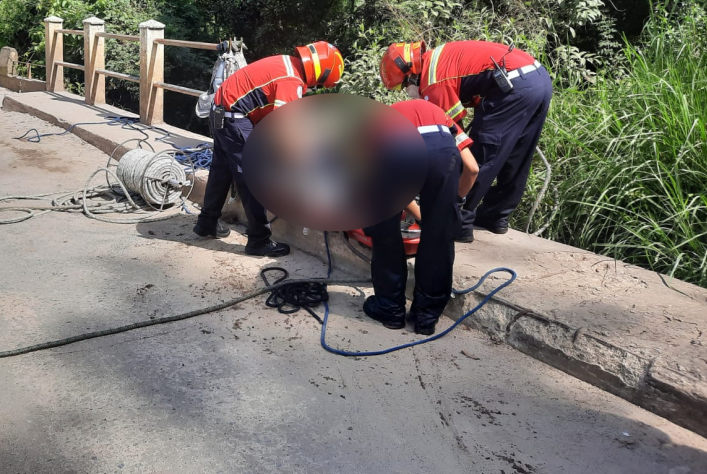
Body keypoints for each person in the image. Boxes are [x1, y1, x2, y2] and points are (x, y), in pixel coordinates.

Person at [380, 40, 553, 243]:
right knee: (516, 155)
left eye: (404, 85)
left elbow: (451, 142)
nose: (407, 92)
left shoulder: (433, 82)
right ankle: (495, 217)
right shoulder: (437, 60)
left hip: (514, 86)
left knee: (482, 152)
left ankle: (458, 223)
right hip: (537, 79)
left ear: (411, 72)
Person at [194, 41, 344, 256]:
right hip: (233, 117)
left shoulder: (287, 63)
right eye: (319, 84)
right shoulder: (291, 80)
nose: (314, 88)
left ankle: (206, 223)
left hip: (220, 112)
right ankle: (258, 240)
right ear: (319, 74)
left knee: (222, 171)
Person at [362, 98, 479, 334]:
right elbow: (473, 168)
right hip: (441, 150)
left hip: (395, 149)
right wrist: (448, 205)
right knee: (440, 237)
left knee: (384, 233)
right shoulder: (443, 118)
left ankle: (390, 310)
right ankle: (426, 317)